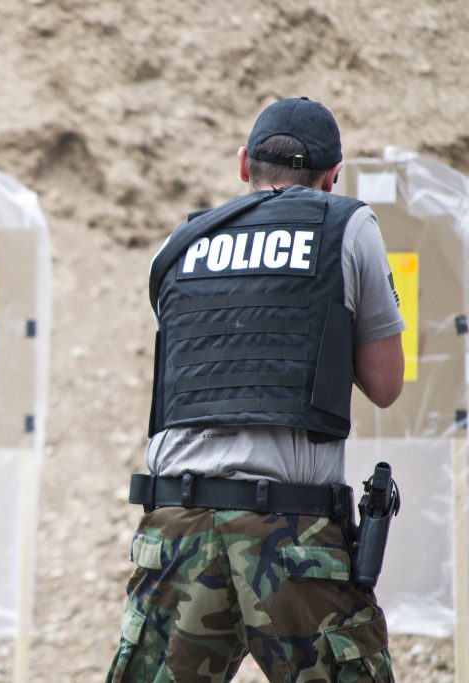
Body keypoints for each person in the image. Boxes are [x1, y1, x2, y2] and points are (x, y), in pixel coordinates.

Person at [106, 97, 405, 683]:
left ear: (245, 165)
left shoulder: (178, 245)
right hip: (290, 535)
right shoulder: (346, 223)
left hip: (174, 527)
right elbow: (385, 384)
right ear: (331, 176)